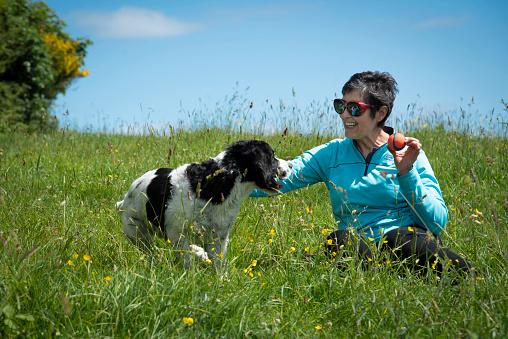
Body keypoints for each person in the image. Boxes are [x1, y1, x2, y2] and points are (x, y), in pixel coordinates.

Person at [251, 71, 474, 277]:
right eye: (341, 106)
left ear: (380, 113)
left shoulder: (407, 152)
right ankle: (370, 283)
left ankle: (470, 279)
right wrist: (227, 182)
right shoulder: (332, 154)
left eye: (355, 108)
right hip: (359, 249)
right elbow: (283, 176)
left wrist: (406, 173)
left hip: (404, 243)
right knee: (340, 240)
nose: (345, 114)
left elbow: (436, 223)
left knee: (396, 238)